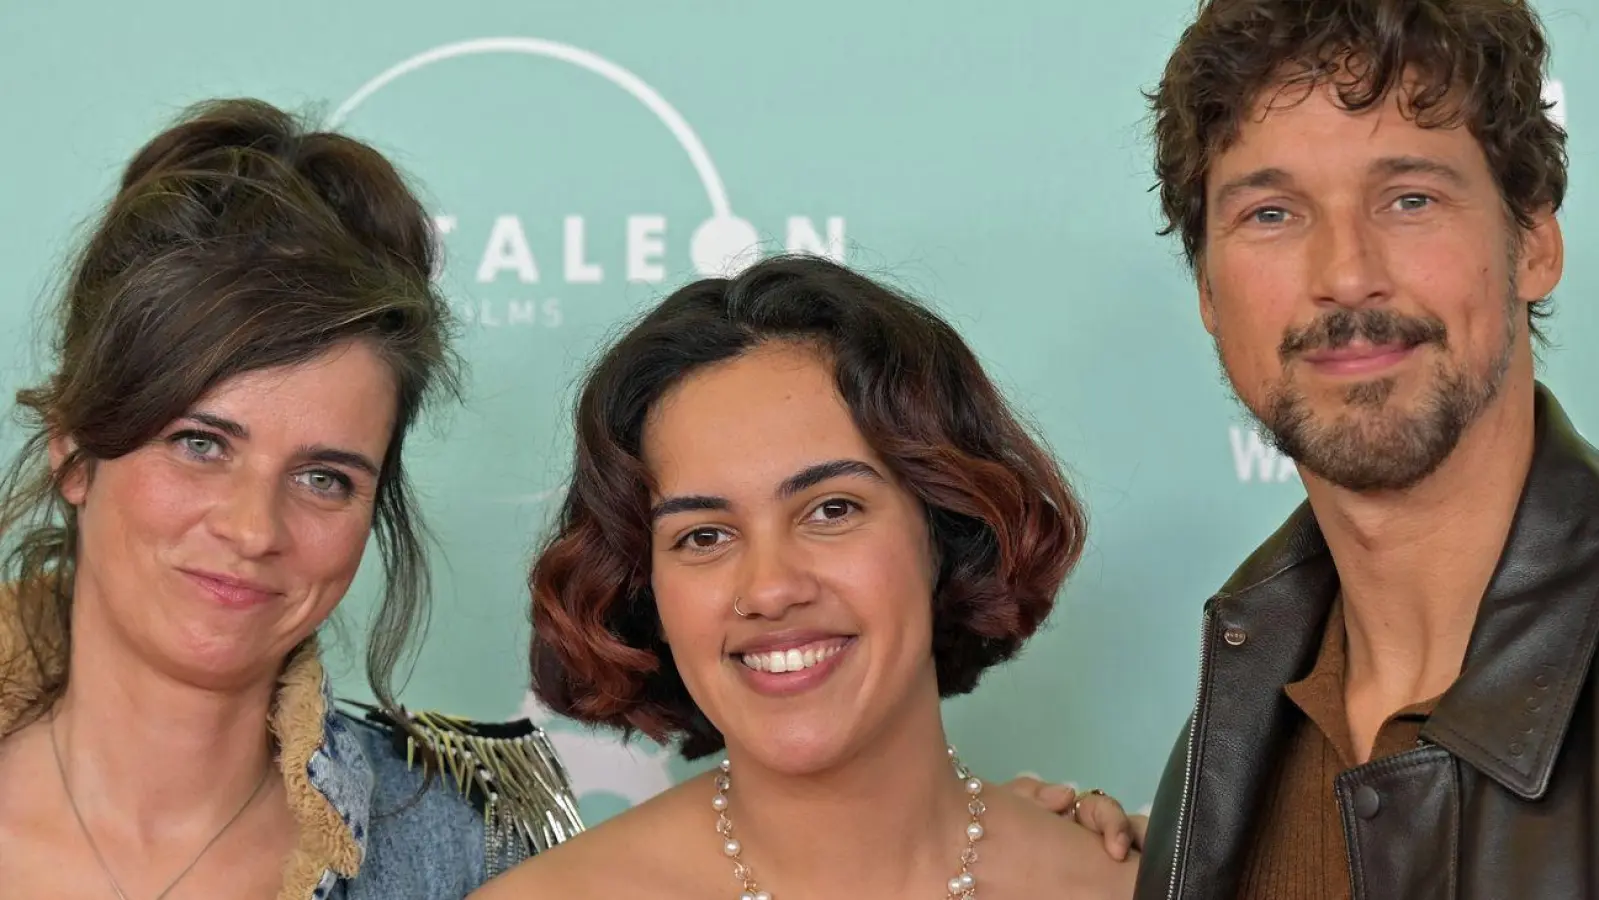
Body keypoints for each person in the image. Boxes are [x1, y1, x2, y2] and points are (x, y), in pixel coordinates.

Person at [0, 97, 582, 900]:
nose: (253, 529)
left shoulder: (477, 859)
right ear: (73, 450)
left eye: (323, 479)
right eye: (200, 444)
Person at [470, 254, 1139, 900]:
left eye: (831, 510)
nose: (769, 589)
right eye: (703, 536)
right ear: (647, 593)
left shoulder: (1132, 885)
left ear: (946, 532)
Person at [1132, 1, 1587, 897]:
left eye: (1409, 199)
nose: (1344, 274)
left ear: (1532, 243)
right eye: (1270, 213)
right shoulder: (1218, 755)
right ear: (1208, 293)